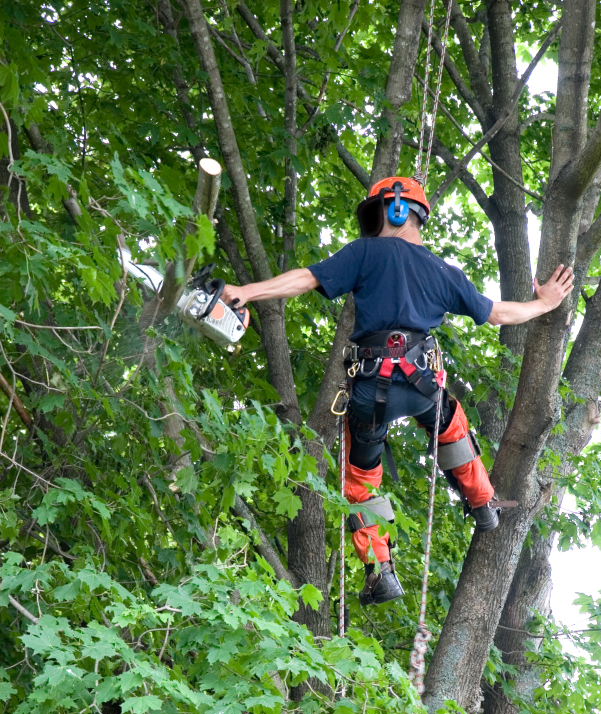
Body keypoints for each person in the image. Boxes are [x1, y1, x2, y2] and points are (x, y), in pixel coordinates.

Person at [223, 177, 574, 606]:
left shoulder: (364, 253)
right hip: (422, 384)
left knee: (360, 482)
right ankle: (482, 504)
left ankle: (380, 571)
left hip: (370, 390)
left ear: (392, 210)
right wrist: (545, 304)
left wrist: (245, 292)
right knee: (451, 425)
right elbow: (499, 313)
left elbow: (305, 278)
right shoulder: (444, 272)